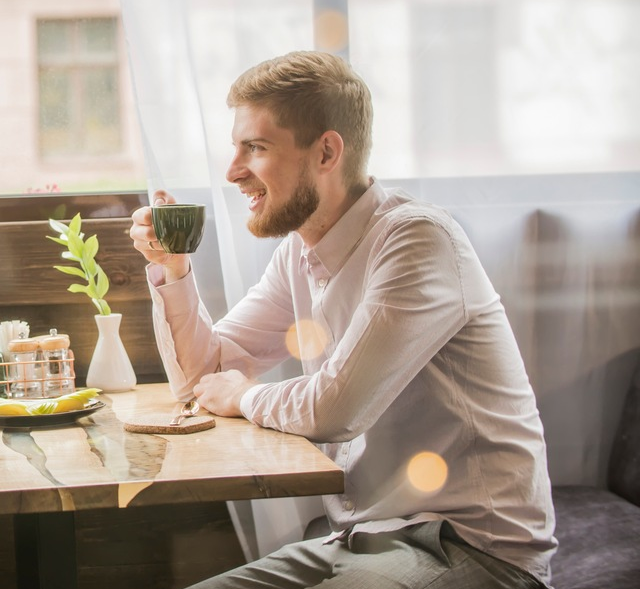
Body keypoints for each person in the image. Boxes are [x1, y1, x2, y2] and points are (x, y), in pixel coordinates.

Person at [130, 51, 556, 588]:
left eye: (255, 148)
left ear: (327, 152)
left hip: (470, 548)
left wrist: (245, 396)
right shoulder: (298, 252)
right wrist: (173, 269)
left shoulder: (417, 239)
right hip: (358, 541)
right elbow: (201, 378)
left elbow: (337, 409)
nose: (233, 171)